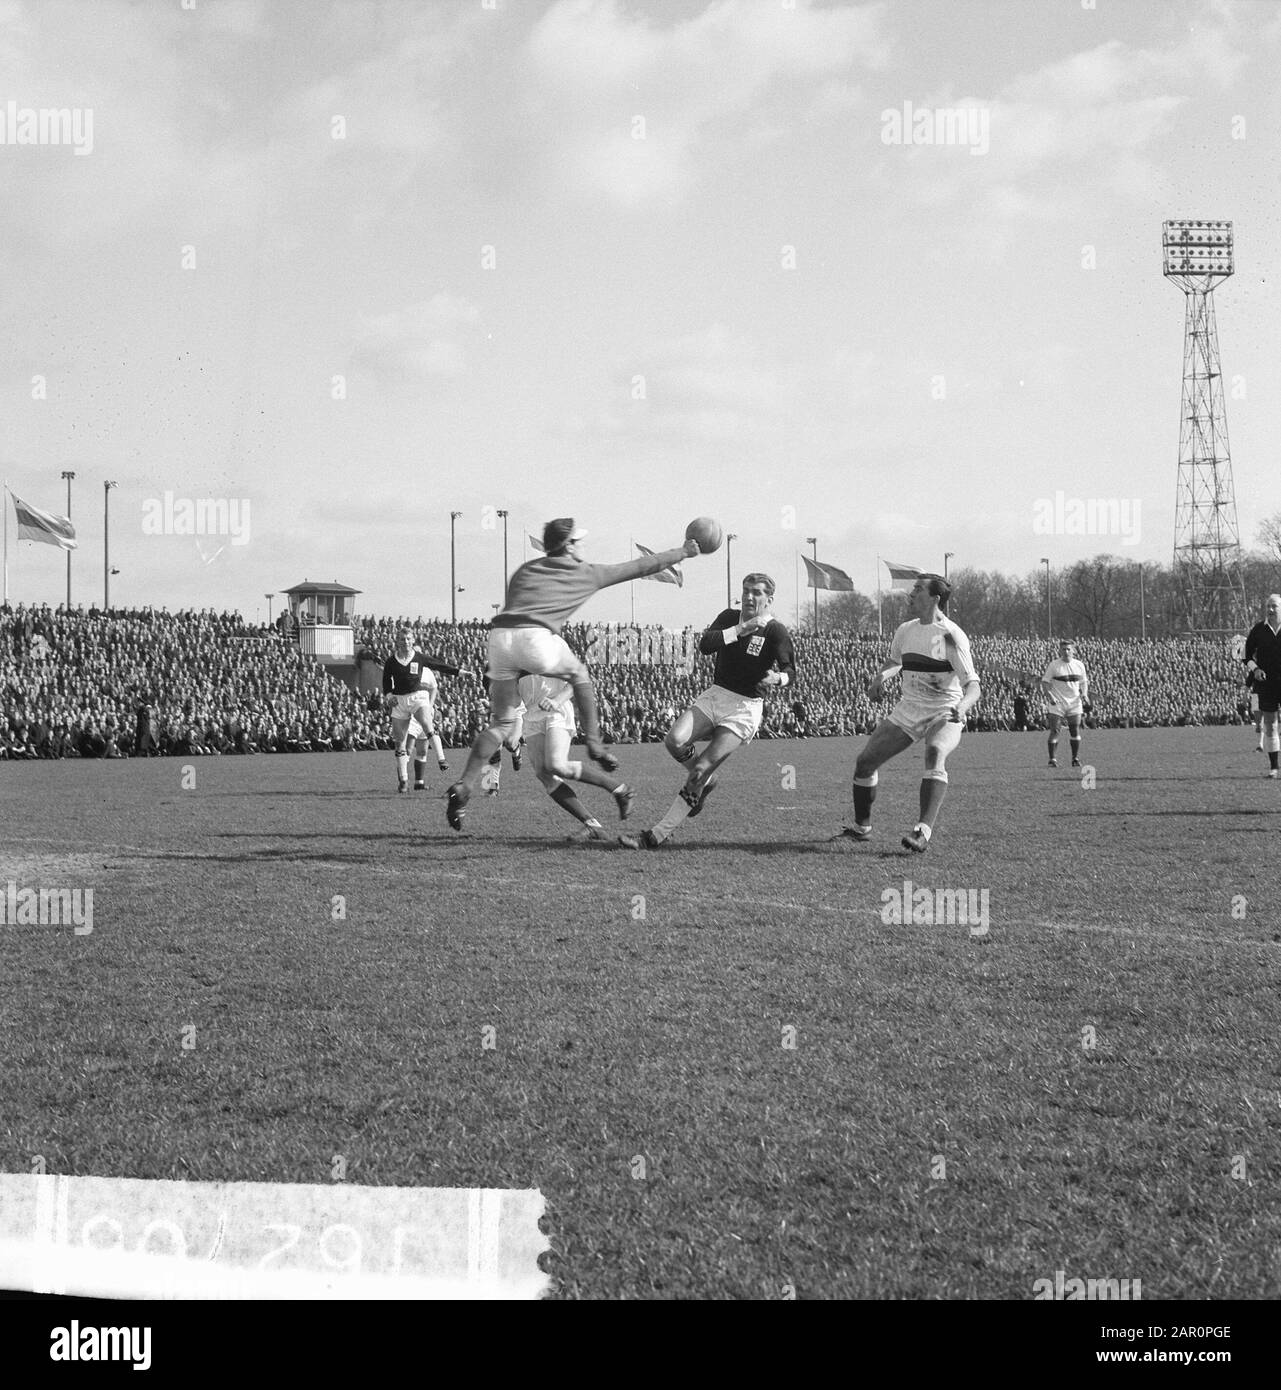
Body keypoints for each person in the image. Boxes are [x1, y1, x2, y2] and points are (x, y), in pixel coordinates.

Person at [446, 517, 700, 831]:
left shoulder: (526, 569)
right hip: (534, 638)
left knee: (501, 724)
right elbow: (639, 566)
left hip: (499, 639)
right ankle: (595, 745)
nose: (582, 545)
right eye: (577, 541)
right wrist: (683, 552)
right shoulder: (585, 573)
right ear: (567, 546)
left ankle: (465, 785)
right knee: (580, 674)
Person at [620, 572, 795, 849]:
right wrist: (740, 630)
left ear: (769, 599)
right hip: (716, 695)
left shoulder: (775, 630)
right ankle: (707, 781)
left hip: (744, 708)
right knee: (674, 740)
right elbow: (704, 645)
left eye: (757, 592)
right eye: (747, 589)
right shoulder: (729, 617)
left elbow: (790, 671)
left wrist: (777, 678)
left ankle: (656, 835)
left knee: (698, 771)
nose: (750, 596)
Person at [842, 573, 980, 854]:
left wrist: (962, 708)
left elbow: (973, 686)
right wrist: (881, 677)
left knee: (935, 752)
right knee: (865, 762)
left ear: (934, 598)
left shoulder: (950, 636)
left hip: (944, 708)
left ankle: (921, 832)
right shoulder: (906, 629)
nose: (911, 594)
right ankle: (861, 829)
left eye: (918, 589)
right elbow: (895, 661)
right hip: (909, 708)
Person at [520, 673, 631, 839]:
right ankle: (593, 826)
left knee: (557, 764)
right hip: (531, 714)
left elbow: (577, 677)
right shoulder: (508, 653)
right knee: (543, 773)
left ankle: (620, 790)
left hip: (555, 709)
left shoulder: (552, 647)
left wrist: (557, 700)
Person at [382, 624, 463, 792]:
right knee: (400, 744)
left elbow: (440, 665)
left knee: (426, 727)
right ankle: (403, 780)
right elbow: (386, 682)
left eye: (408, 639)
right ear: (397, 641)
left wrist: (460, 672)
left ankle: (441, 759)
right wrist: (389, 696)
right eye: (402, 639)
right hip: (399, 702)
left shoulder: (420, 659)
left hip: (418, 699)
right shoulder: (391, 661)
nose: (405, 642)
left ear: (413, 641)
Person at [1243, 594, 1281, 778]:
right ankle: (1274, 768)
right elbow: (1246, 655)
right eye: (1268, 606)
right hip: (1267, 684)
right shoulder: (1258, 630)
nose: (1270, 610)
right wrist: (1255, 668)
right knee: (1270, 724)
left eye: (1274, 606)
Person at [1041, 639, 1091, 768]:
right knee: (1055, 730)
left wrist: (1084, 694)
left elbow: (1084, 682)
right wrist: (1050, 696)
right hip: (1057, 703)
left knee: (1075, 730)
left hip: (1074, 702)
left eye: (1069, 649)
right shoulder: (1054, 665)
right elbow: (1045, 682)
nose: (1066, 651)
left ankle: (1075, 758)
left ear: (1073, 650)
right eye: (1063, 649)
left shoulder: (1079, 665)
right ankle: (1052, 759)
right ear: (1059, 650)